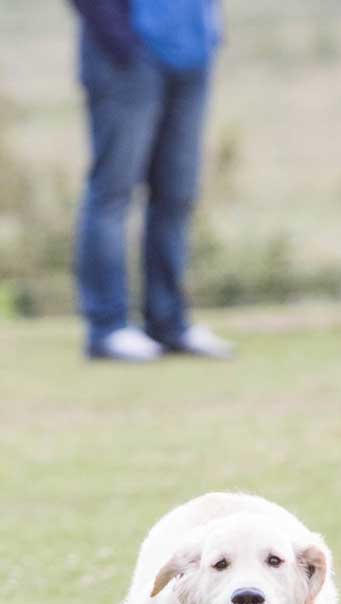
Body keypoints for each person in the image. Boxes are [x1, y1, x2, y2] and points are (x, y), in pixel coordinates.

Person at [70, 0, 232, 361]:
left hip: (191, 53)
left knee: (177, 194)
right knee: (113, 193)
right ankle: (107, 328)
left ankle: (169, 323)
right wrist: (120, 40)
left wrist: (210, 32)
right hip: (128, 55)